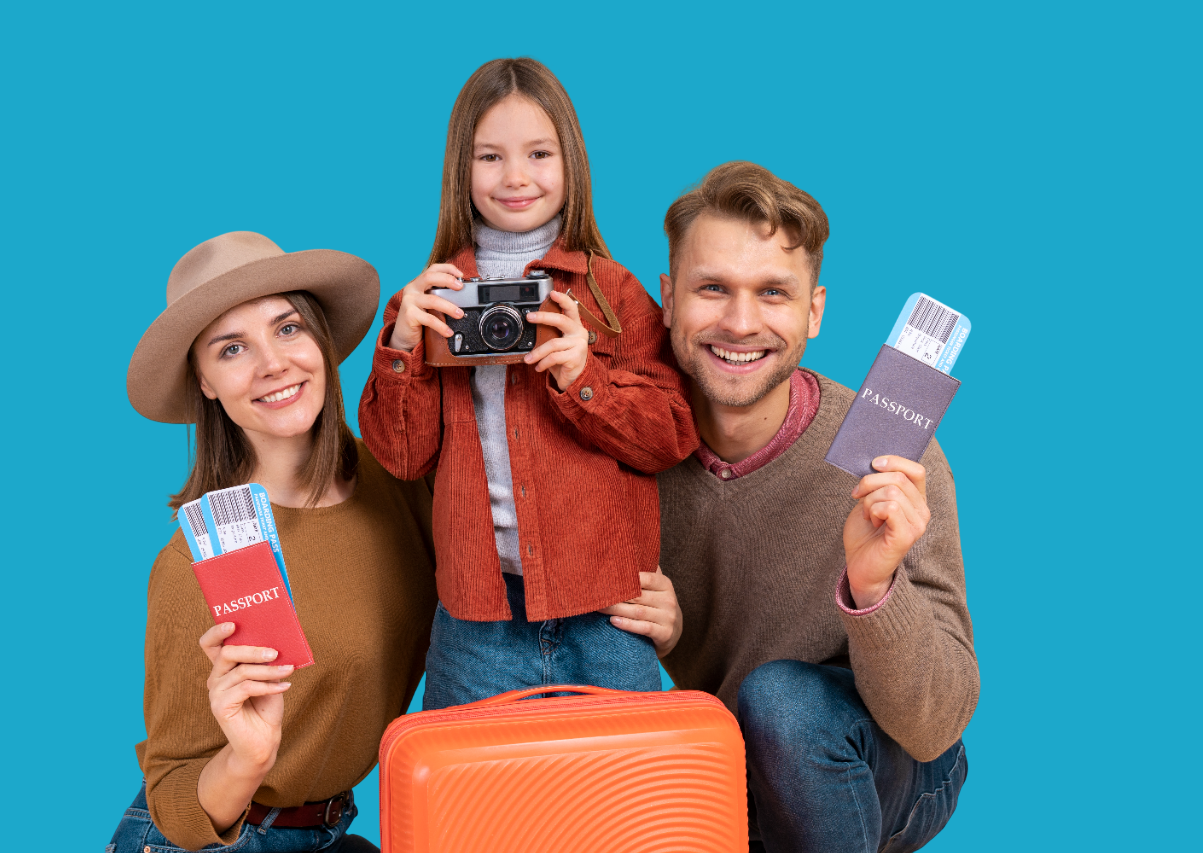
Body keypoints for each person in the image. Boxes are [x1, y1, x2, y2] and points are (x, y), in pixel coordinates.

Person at [654, 162, 976, 853]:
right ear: (669, 299)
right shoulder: (633, 445)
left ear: (814, 311)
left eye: (773, 293)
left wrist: (875, 585)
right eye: (713, 288)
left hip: (890, 757)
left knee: (785, 703)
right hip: (736, 764)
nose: (740, 323)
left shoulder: (895, 456)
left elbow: (937, 725)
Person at [358, 58, 696, 709]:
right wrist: (404, 346)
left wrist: (582, 375)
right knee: (475, 802)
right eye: (490, 157)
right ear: (461, 169)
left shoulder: (612, 291)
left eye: (539, 153)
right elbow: (402, 457)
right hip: (477, 615)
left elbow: (672, 435)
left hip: (606, 607)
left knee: (618, 797)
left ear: (571, 161)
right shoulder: (432, 300)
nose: (516, 177)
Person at [110, 230, 437, 852]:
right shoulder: (194, 565)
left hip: (338, 829)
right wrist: (249, 759)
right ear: (204, 382)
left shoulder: (397, 484)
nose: (272, 364)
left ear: (320, 340)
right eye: (232, 349)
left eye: (288, 329)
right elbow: (174, 794)